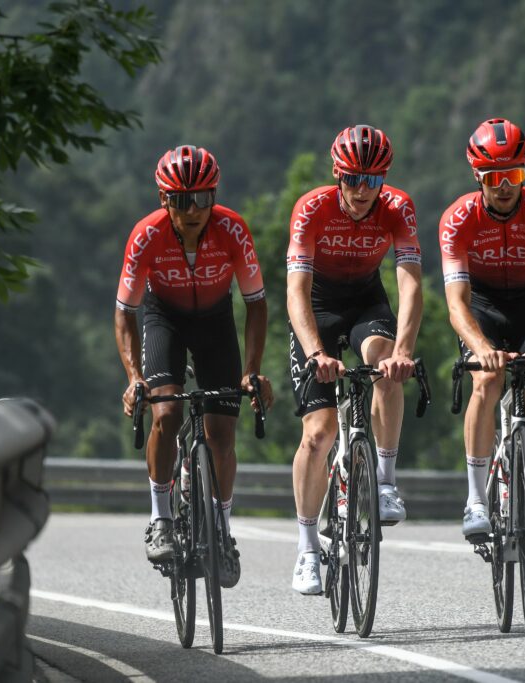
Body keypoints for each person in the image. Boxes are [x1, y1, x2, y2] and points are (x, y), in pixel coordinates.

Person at [114, 145, 273, 589]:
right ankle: (160, 518)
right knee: (166, 413)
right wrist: (134, 378)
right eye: (182, 200)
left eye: (203, 198)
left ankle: (221, 530)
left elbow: (256, 304)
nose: (194, 210)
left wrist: (252, 370)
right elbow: (125, 312)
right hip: (164, 318)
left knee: (222, 433)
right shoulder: (146, 235)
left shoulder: (232, 229)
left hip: (216, 322)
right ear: (164, 200)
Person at [286, 124, 423, 594]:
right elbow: (296, 291)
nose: (363, 191)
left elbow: (409, 283)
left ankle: (384, 480)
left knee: (385, 363)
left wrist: (404, 351)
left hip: (366, 301)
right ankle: (307, 549)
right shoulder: (312, 208)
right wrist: (315, 353)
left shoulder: (397, 207)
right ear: (337, 175)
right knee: (319, 433)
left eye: (374, 181)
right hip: (318, 308)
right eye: (353, 179)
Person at [439, 118, 525, 573]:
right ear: (477, 176)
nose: (504, 187)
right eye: (495, 178)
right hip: (481, 306)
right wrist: (479, 348)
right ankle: (477, 499)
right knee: (487, 381)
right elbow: (456, 304)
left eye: (514, 176)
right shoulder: (458, 218)